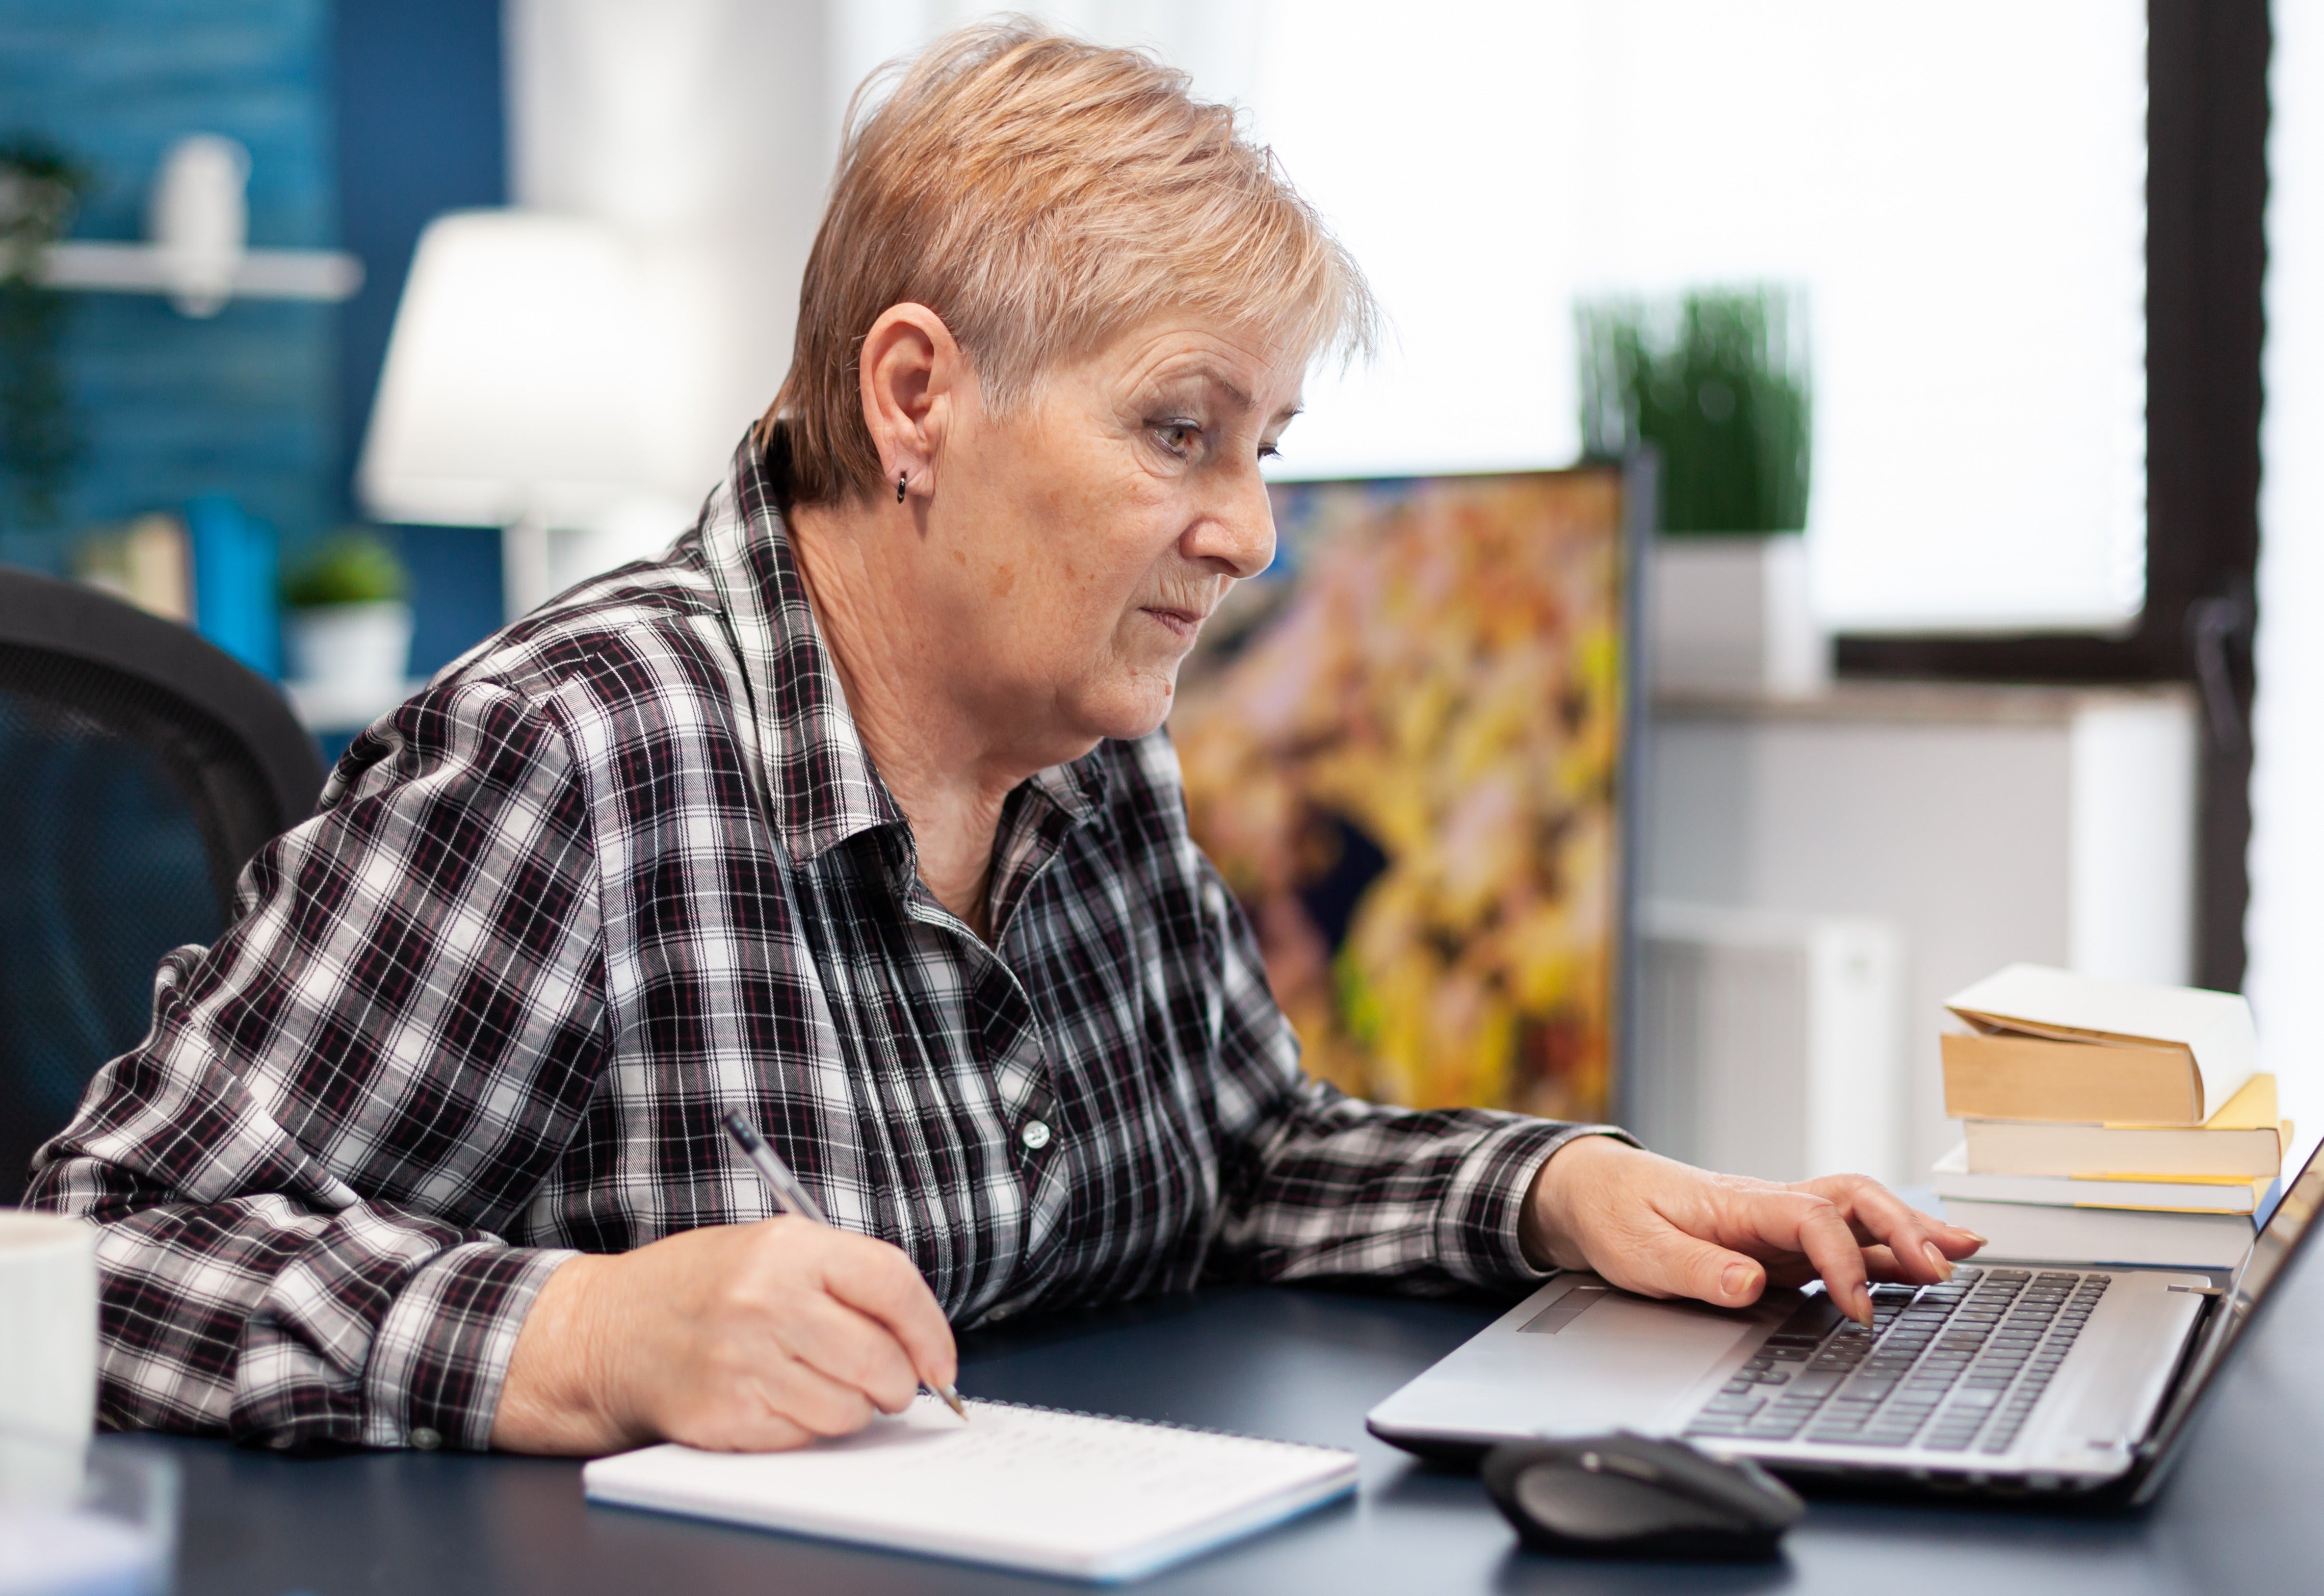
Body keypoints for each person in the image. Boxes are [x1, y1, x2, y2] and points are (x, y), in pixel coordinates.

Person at [27, 22, 1979, 1457]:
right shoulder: (580, 755)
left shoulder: (1090, 752)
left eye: (1265, 449)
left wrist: (1565, 1194)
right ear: (915, 398)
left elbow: (1237, 1162)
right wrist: (589, 1328)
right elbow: (79, 1266)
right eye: (1179, 431)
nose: (1248, 530)